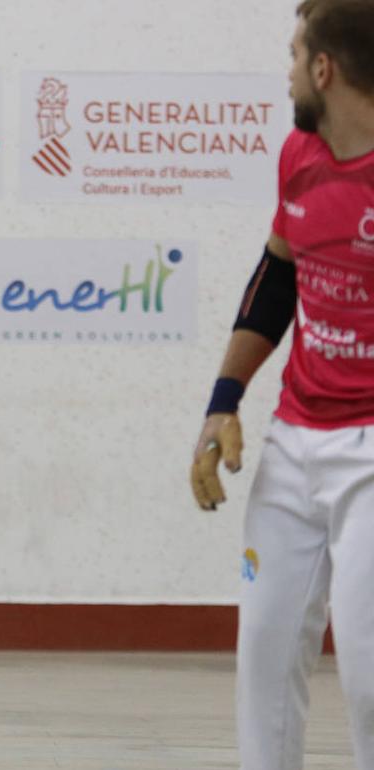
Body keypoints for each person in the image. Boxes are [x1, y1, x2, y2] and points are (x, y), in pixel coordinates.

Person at [190, 2, 374, 767]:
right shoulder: (299, 151)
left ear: (324, 69)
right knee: (264, 655)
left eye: (296, 54)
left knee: (367, 673)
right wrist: (221, 406)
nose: (289, 69)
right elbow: (276, 280)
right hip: (295, 440)